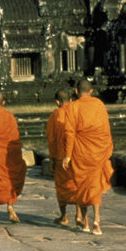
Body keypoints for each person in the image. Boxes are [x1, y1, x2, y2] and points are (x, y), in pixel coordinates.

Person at [62, 79, 114, 235]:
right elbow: (106, 129)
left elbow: (69, 133)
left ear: (76, 92)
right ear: (91, 91)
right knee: (94, 186)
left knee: (81, 185)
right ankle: (96, 221)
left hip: (80, 152)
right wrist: (107, 148)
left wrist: (67, 155)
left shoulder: (73, 107)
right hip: (97, 151)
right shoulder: (99, 104)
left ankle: (85, 222)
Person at [0, 91, 26, 223]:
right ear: (3, 103)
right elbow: (15, 139)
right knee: (8, 178)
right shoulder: (9, 116)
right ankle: (10, 207)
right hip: (8, 157)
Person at [46, 89, 78, 226]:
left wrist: (52, 158)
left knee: (62, 187)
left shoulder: (55, 116)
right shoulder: (76, 113)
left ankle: (64, 216)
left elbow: (51, 139)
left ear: (57, 102)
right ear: (71, 100)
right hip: (76, 156)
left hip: (60, 156)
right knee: (77, 185)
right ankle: (80, 214)